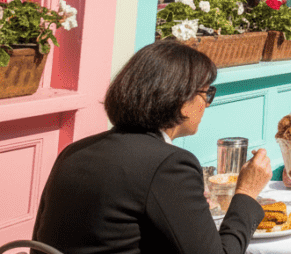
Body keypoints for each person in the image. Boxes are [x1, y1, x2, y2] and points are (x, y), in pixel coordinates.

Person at [33, 41, 272, 253]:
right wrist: (246, 194)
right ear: (181, 100)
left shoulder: (74, 152)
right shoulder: (169, 164)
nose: (206, 105)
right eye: (205, 93)